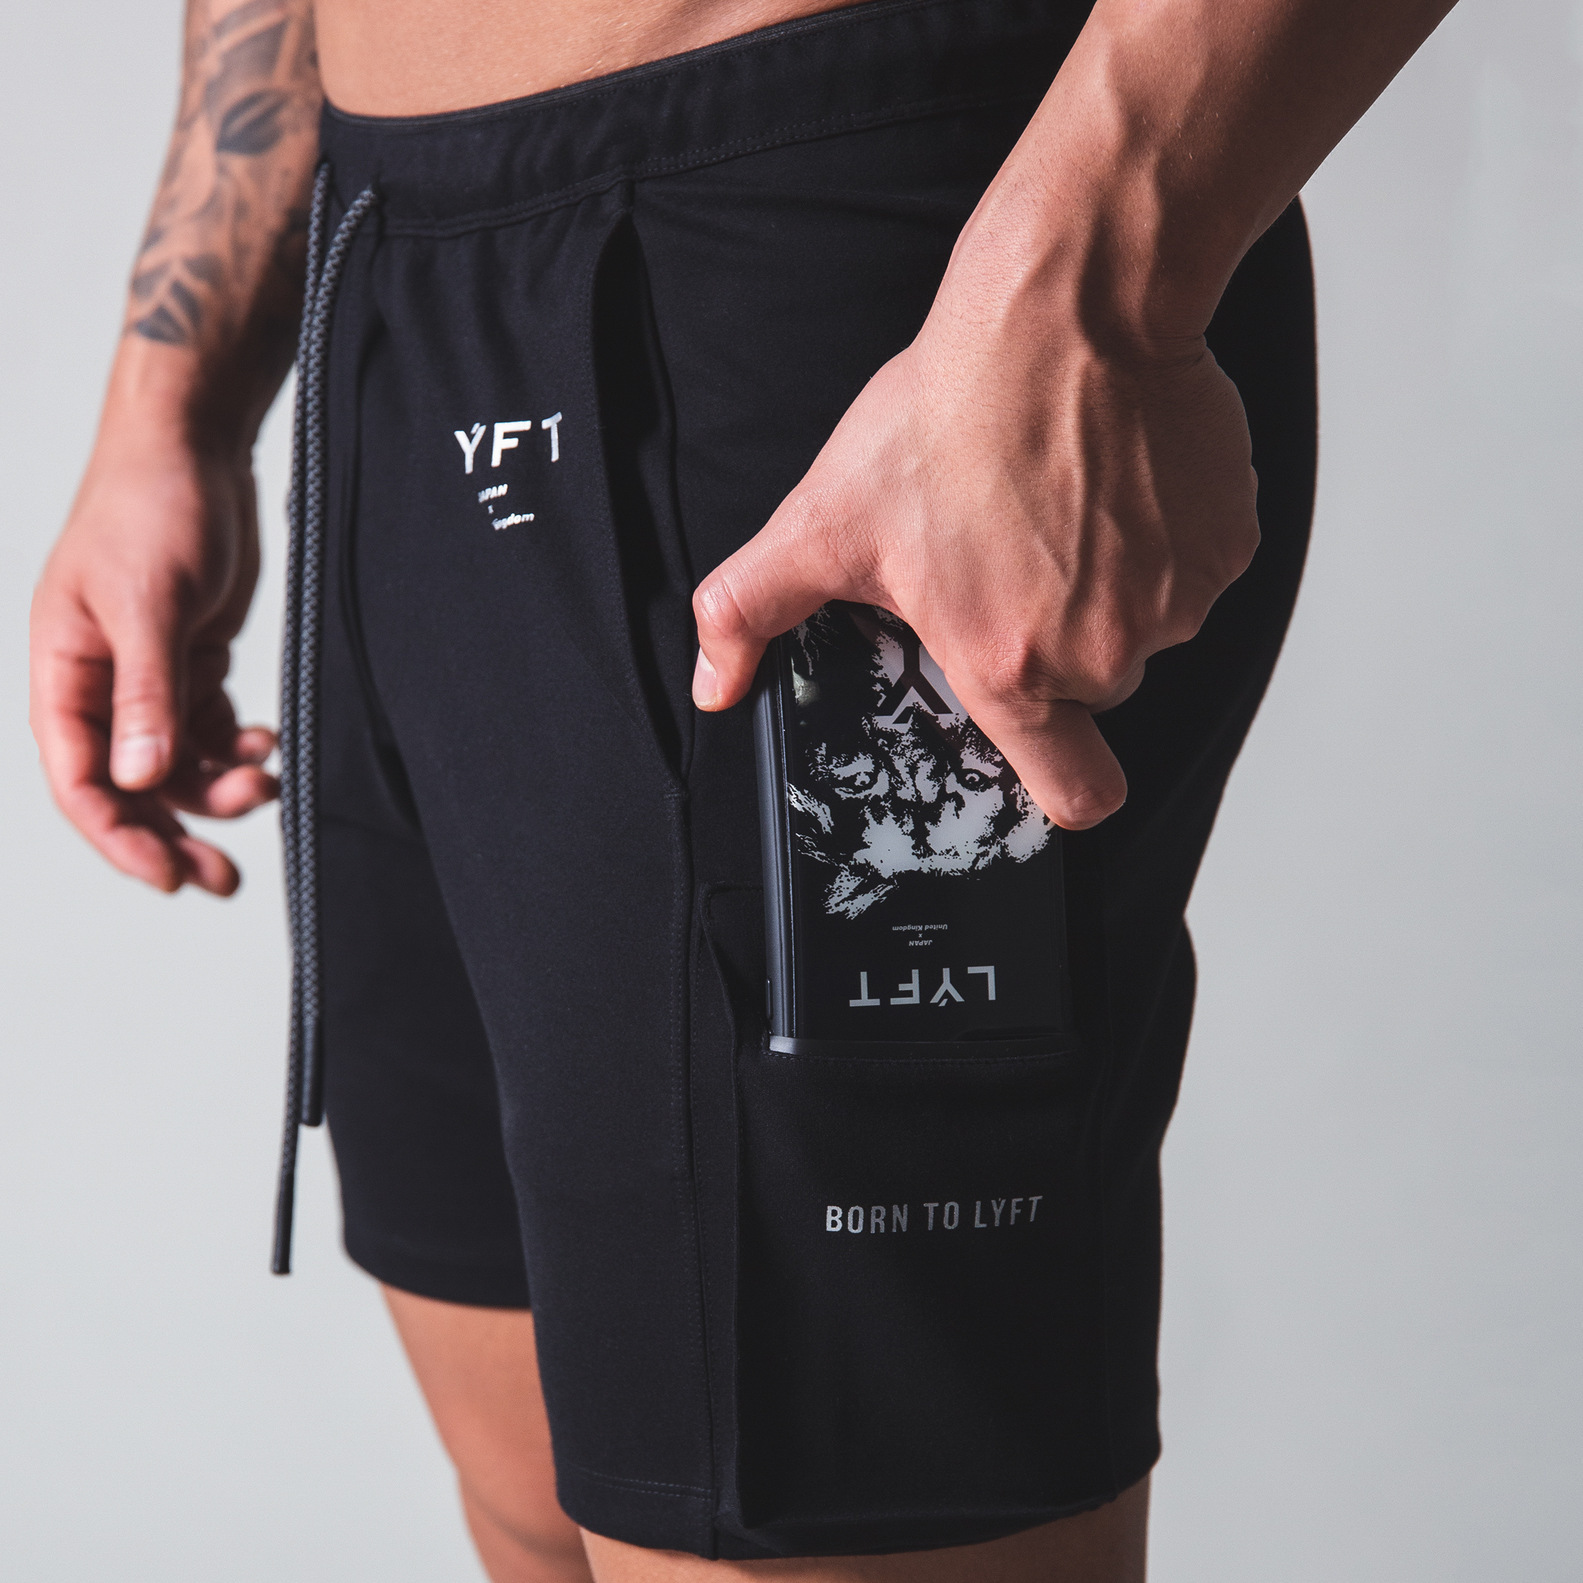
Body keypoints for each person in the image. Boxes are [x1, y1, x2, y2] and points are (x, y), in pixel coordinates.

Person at [28, 0, 1458, 1578]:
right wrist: (170, 396)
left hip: (848, 270)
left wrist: (1089, 283)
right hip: (387, 273)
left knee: (787, 1519)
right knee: (540, 1488)